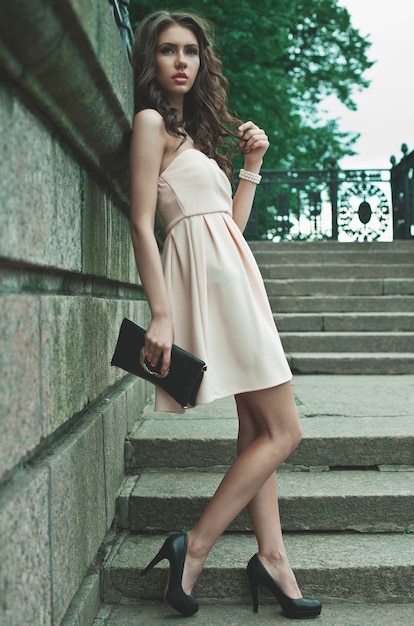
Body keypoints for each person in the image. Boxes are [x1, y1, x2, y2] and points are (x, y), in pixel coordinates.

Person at [129, 10, 322, 620]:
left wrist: (251, 167)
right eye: (168, 50)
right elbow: (141, 221)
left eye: (190, 51)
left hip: (236, 281)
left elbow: (229, 229)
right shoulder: (151, 124)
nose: (181, 61)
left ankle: (273, 559)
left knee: (258, 430)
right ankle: (196, 547)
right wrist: (160, 314)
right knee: (285, 431)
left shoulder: (195, 140)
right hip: (213, 293)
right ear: (151, 61)